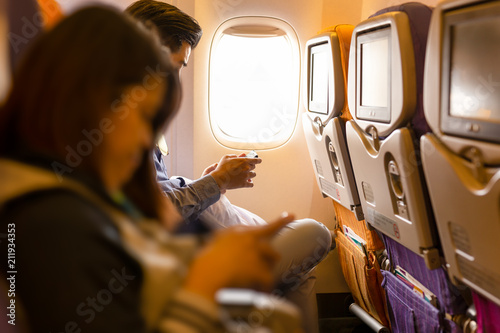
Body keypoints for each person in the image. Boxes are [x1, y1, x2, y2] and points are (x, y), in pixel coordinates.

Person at [0, 6, 302, 332]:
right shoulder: (54, 221)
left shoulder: (78, 185)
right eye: (143, 115)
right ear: (93, 102)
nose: (148, 137)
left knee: (278, 316)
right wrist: (205, 280)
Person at [126, 2, 334, 332]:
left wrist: (212, 182)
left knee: (299, 273)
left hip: (181, 247)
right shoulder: (120, 126)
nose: (175, 81)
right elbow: (151, 215)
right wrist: (216, 182)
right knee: (316, 235)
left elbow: (153, 193)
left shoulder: (136, 119)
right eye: (175, 66)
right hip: (175, 262)